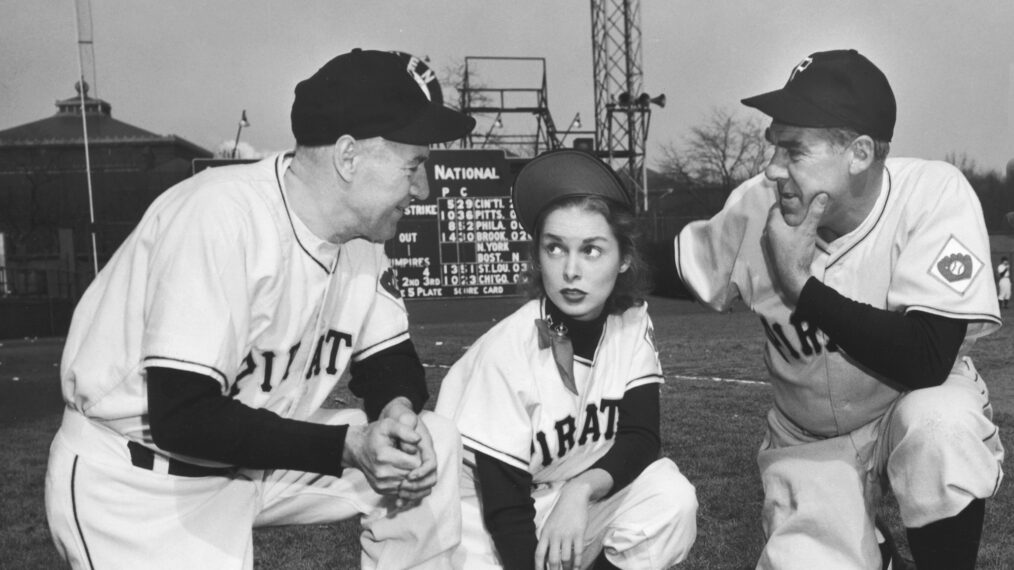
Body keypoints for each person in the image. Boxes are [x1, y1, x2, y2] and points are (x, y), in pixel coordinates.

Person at [44, 48, 476, 570]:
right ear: (348, 157)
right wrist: (350, 444)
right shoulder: (220, 217)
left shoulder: (360, 238)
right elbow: (183, 418)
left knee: (432, 441)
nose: (424, 188)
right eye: (415, 166)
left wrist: (396, 413)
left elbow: (389, 361)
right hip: (141, 483)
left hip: (257, 461)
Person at [670, 49, 1004, 570]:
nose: (773, 167)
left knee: (941, 427)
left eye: (794, 150)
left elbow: (926, 357)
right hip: (806, 440)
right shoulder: (754, 204)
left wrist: (801, 286)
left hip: (906, 408)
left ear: (860, 152)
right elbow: (682, 268)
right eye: (773, 145)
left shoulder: (933, 195)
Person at [435, 149, 698, 570]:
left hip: (566, 498)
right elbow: (505, 509)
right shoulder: (508, 348)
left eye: (591, 250)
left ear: (624, 257)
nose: (571, 270)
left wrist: (580, 492)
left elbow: (640, 438)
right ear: (538, 256)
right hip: (476, 520)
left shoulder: (630, 324)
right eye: (555, 248)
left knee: (669, 496)